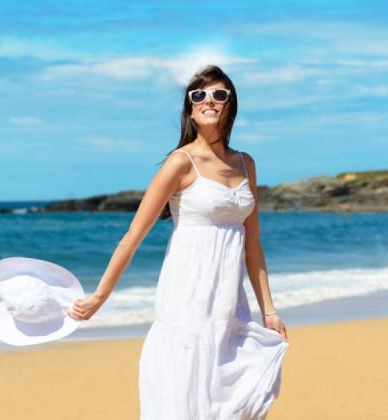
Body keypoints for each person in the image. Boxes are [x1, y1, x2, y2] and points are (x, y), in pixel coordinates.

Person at [68, 65, 290, 419]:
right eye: (198, 95)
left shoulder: (246, 163)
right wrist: (100, 296)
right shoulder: (180, 162)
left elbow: (253, 244)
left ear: (231, 105)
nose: (208, 101)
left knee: (231, 394)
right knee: (187, 391)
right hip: (188, 294)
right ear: (189, 108)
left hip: (230, 301)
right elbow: (133, 236)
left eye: (219, 94)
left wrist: (269, 309)